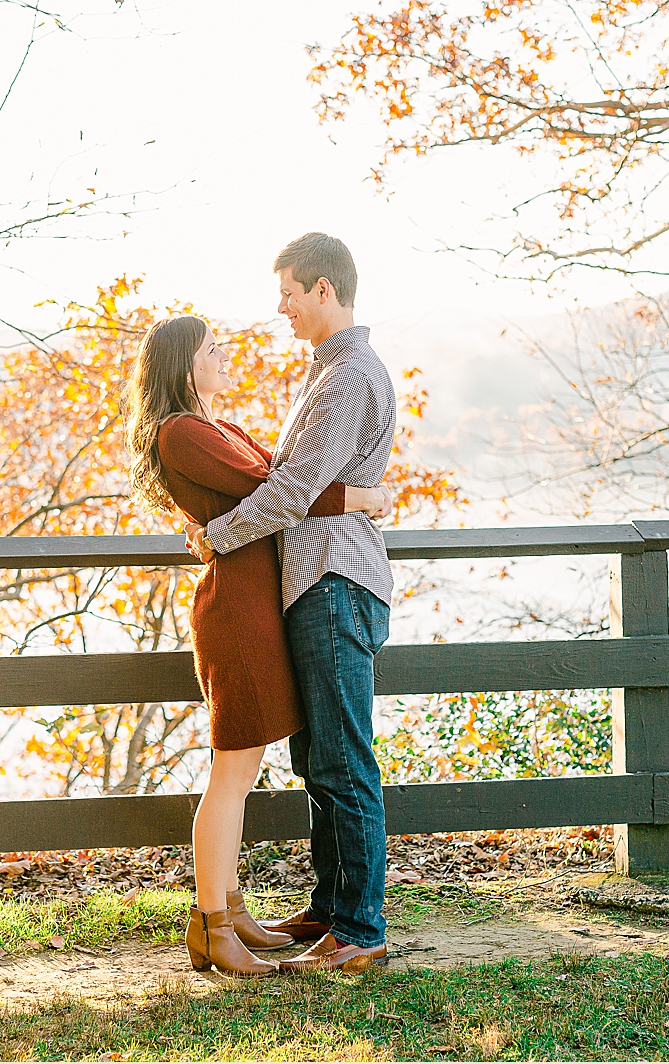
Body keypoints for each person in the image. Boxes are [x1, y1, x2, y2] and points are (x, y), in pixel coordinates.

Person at [124, 314, 392, 977]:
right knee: (232, 774)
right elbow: (278, 494)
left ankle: (230, 911)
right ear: (185, 365)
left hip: (260, 608)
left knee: (242, 771)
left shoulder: (221, 428)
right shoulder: (180, 432)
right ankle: (213, 926)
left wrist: (320, 495)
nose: (224, 355)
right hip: (237, 616)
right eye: (213, 349)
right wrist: (361, 494)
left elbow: (279, 480)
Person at [186, 232, 397, 974]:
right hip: (317, 582)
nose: (279, 308)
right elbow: (297, 480)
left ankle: (359, 929)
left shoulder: (347, 378)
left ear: (324, 292)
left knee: (343, 762)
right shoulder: (328, 374)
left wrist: (217, 536)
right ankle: (331, 907)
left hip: (336, 581)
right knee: (319, 758)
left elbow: (289, 490)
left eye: (288, 294)